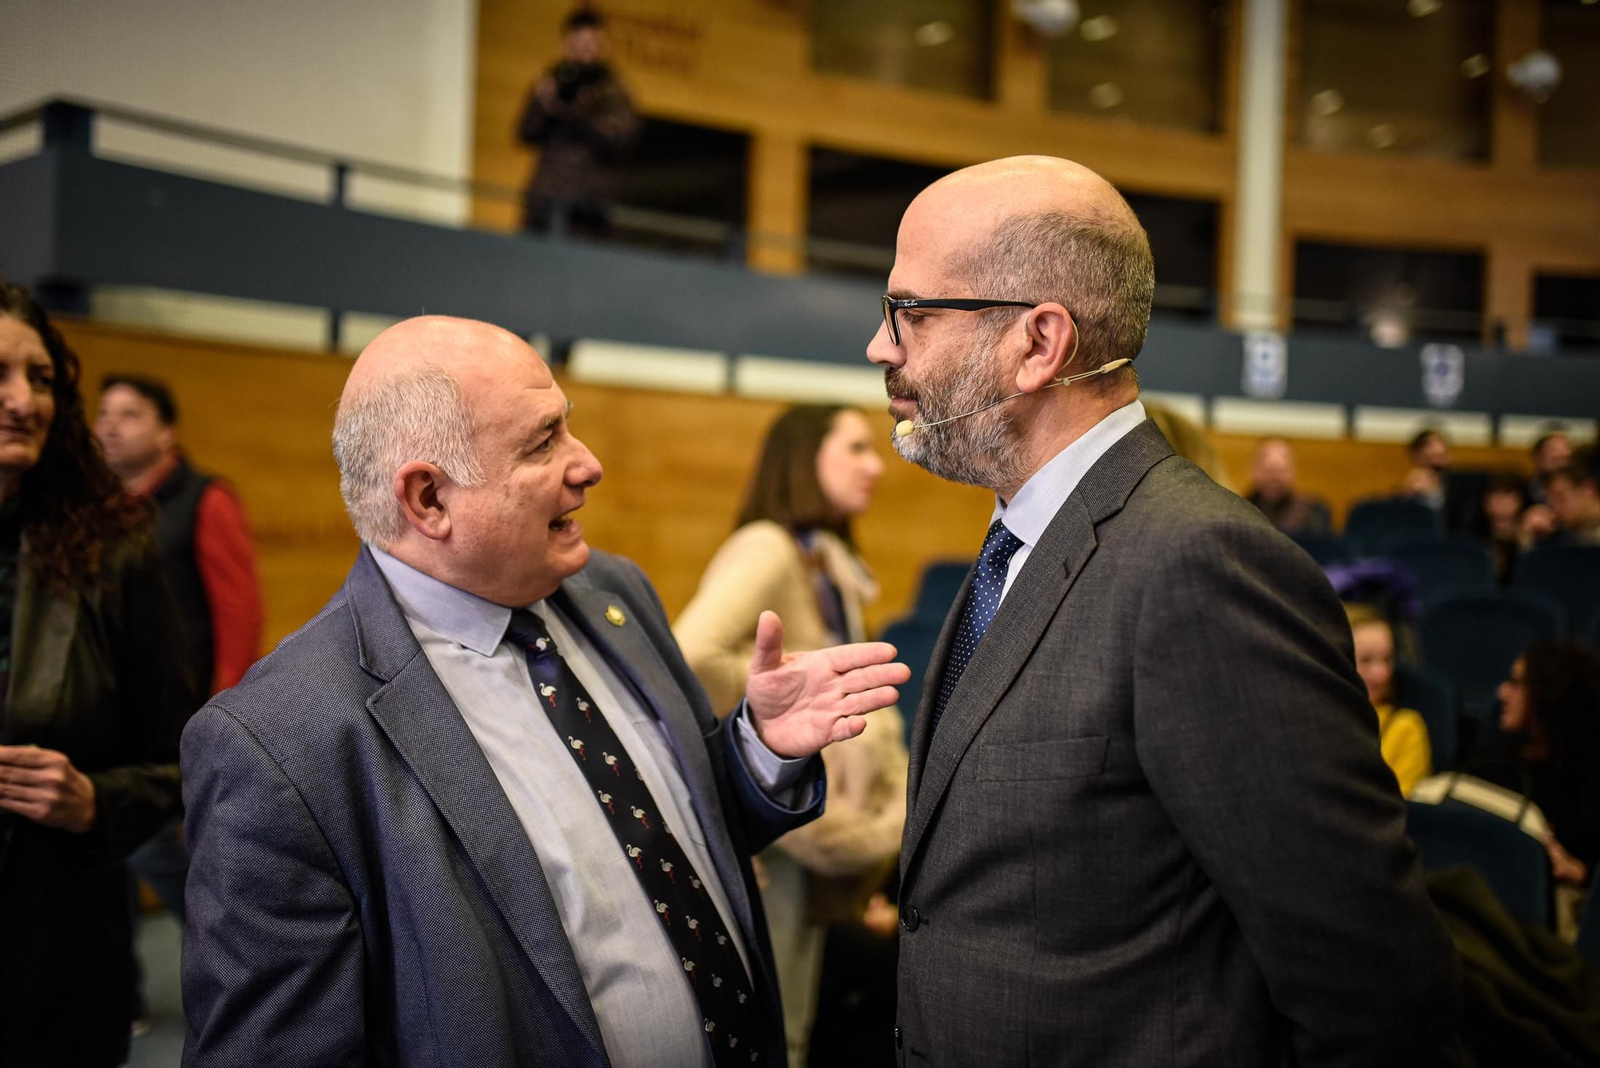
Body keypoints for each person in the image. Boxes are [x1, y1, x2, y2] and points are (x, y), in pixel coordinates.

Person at [180, 316, 909, 1068]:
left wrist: (757, 749)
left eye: (571, 428)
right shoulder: (279, 745)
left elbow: (667, 835)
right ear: (428, 499)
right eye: (542, 442)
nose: (588, 464)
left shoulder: (612, 593)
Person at [865, 156, 1461, 1067]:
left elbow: (1369, 979)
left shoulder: (1202, 563)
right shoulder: (1015, 543)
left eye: (910, 312)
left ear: (1039, 342)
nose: (883, 346)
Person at [674, 404, 906, 1068]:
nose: (875, 465)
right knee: (771, 1026)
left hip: (808, 824)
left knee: (797, 1021)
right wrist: (787, 707)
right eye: (856, 447)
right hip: (777, 827)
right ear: (806, 456)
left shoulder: (827, 559)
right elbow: (694, 652)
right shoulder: (768, 545)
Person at [0, 281, 195, 1068]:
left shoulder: (112, 548)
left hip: (56, 950)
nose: (21, 401)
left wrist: (94, 801)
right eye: (0, 377)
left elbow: (183, 758)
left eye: (40, 378)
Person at [94, 374, 264, 1000]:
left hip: (187, 721)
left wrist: (225, 715)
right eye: (103, 413)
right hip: (116, 718)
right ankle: (124, 991)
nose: (108, 426)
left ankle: (252, 960)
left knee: (156, 851)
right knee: (110, 850)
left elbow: (238, 615)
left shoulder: (205, 498)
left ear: (166, 432)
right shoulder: (100, 508)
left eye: (129, 414)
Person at [1480, 641, 1600, 887]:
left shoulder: (1589, 782)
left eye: (1516, 683)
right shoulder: (1494, 762)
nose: (1502, 692)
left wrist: (1581, 871)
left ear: (1548, 693)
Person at [517, 7, 639, 237]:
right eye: (578, 41)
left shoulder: (613, 89)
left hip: (588, 207)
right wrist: (546, 106)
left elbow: (620, 140)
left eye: (591, 41)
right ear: (566, 42)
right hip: (545, 199)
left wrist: (581, 114)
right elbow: (526, 133)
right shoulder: (552, 80)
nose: (585, 48)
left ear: (602, 43)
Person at [1344, 604, 1432, 795]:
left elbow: (1398, 812)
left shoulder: (1405, 727)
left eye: (1387, 659)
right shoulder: (1316, 717)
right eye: (1366, 660)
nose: (1382, 674)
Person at [1246, 436, 1333, 538]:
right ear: (1253, 470)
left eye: (1280, 471)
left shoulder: (1313, 513)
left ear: (1293, 471)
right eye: (1268, 470)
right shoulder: (1239, 510)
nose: (1274, 479)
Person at [1524, 447, 1600, 547]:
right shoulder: (1557, 534)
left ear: (1588, 490)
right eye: (1550, 501)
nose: (1554, 508)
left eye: (1560, 497)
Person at [1528, 428, 1573, 505]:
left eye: (1565, 458)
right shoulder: (1523, 490)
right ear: (1537, 457)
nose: (1560, 464)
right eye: (1553, 451)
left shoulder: (1578, 492)